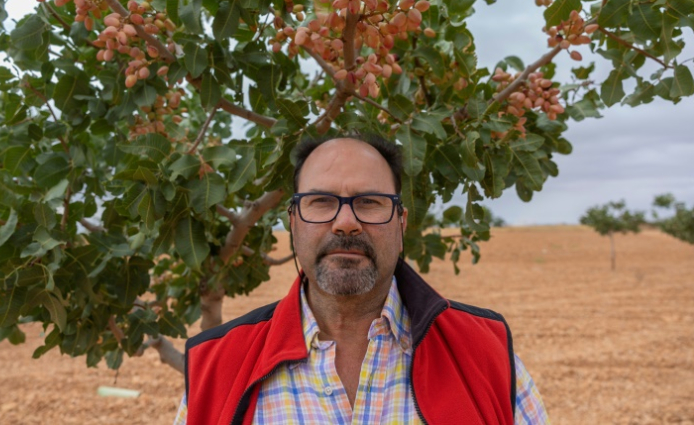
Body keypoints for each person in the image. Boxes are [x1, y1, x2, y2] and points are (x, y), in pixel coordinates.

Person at [174, 135, 549, 424]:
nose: (346, 222)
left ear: (401, 223)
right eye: (320, 201)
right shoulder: (215, 367)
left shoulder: (486, 355)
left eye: (369, 202)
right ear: (293, 223)